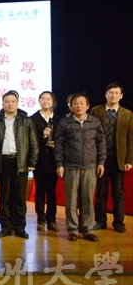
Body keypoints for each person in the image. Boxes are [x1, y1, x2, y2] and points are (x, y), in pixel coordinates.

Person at [54, 93, 106, 242]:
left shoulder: (94, 122)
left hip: (90, 166)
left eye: (82, 103)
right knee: (71, 200)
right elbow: (59, 145)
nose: (78, 106)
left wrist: (101, 162)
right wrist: (59, 164)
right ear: (70, 106)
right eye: (75, 103)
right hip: (70, 167)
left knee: (88, 199)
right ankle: (73, 230)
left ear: (87, 106)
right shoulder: (65, 123)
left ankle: (88, 229)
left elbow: (101, 143)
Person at [0, 90, 38, 239]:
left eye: (13, 101)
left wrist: (32, 162)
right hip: (3, 161)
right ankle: (5, 226)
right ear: (2, 104)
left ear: (17, 103)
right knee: (4, 196)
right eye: (7, 101)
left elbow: (33, 142)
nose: (10, 104)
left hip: (21, 161)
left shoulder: (26, 120)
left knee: (19, 197)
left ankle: (20, 227)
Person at [91, 83, 133, 233]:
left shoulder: (127, 114)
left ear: (121, 96)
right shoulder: (96, 111)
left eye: (116, 93)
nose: (113, 95)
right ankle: (100, 221)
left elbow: (130, 138)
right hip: (100, 158)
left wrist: (129, 160)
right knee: (101, 191)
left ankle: (119, 222)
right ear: (106, 95)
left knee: (118, 193)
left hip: (118, 158)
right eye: (111, 92)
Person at [31, 91, 62, 232]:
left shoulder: (59, 119)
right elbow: (30, 140)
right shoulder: (33, 119)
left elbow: (63, 139)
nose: (45, 101)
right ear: (39, 101)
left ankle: (52, 220)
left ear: (53, 102)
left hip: (54, 160)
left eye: (48, 99)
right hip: (39, 160)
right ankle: (41, 219)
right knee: (40, 191)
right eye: (42, 99)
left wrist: (57, 144)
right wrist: (42, 136)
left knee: (51, 192)